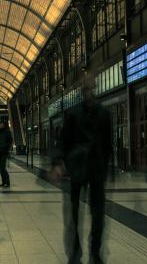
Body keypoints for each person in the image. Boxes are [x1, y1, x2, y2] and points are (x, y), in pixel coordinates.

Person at [49, 74, 112, 264]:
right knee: (74, 215)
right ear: (81, 91)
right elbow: (63, 142)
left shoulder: (104, 113)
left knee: (98, 215)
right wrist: (58, 163)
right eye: (86, 89)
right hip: (76, 170)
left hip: (97, 170)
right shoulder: (73, 114)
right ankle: (75, 253)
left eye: (91, 88)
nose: (89, 92)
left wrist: (109, 169)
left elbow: (108, 144)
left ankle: (95, 251)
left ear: (95, 88)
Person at [0, 119, 13, 188]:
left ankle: (7, 182)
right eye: (0, 124)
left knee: (3, 168)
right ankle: (3, 182)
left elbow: (10, 141)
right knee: (1, 168)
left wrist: (8, 149)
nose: (0, 125)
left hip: (4, 152)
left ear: (4, 125)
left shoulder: (7, 132)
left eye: (2, 124)